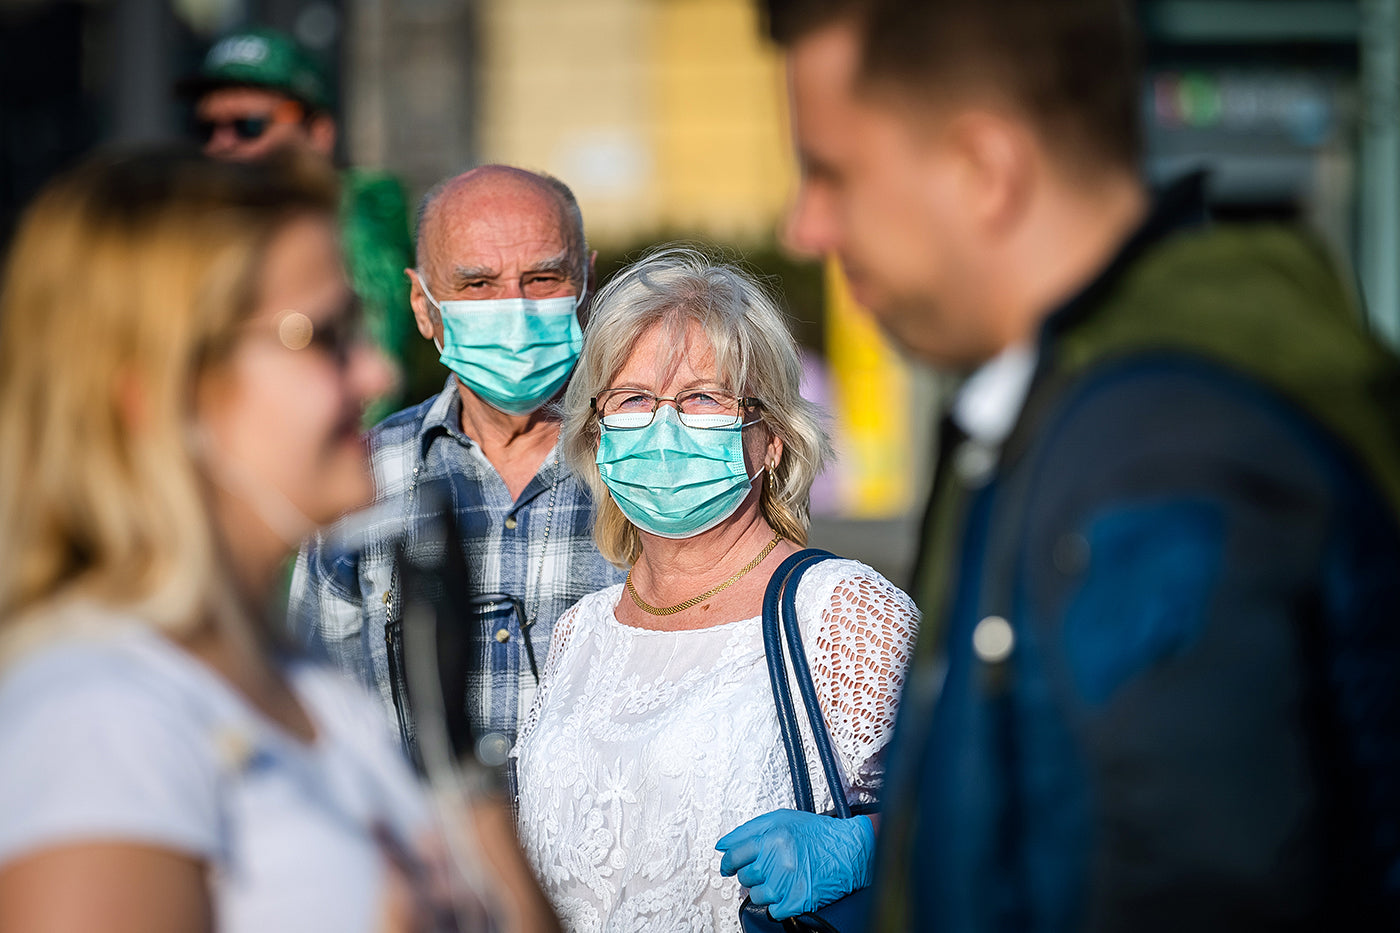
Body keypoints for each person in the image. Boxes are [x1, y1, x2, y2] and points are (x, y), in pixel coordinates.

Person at [762, 0, 1400, 930]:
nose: (804, 227)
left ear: (985, 169)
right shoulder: (1068, 407)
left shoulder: (1159, 452)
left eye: (830, 173)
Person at [0, 149, 446, 931]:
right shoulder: (100, 716)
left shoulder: (305, 684)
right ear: (163, 390)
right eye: (327, 336)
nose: (377, 374)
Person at [512, 248, 920, 931]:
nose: (663, 427)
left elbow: (989, 808)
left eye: (703, 397)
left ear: (773, 441)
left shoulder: (842, 613)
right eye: (634, 399)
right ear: (597, 434)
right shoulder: (582, 629)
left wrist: (863, 848)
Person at [291, 165, 625, 759]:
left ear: (587, 286)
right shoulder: (359, 480)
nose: (514, 311)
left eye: (544, 277)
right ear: (423, 306)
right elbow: (316, 718)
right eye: (477, 285)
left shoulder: (657, 462)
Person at [179, 26, 416, 416]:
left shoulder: (357, 223)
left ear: (319, 133)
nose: (222, 144)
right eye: (207, 128)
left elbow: (374, 392)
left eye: (249, 125)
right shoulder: (210, 223)